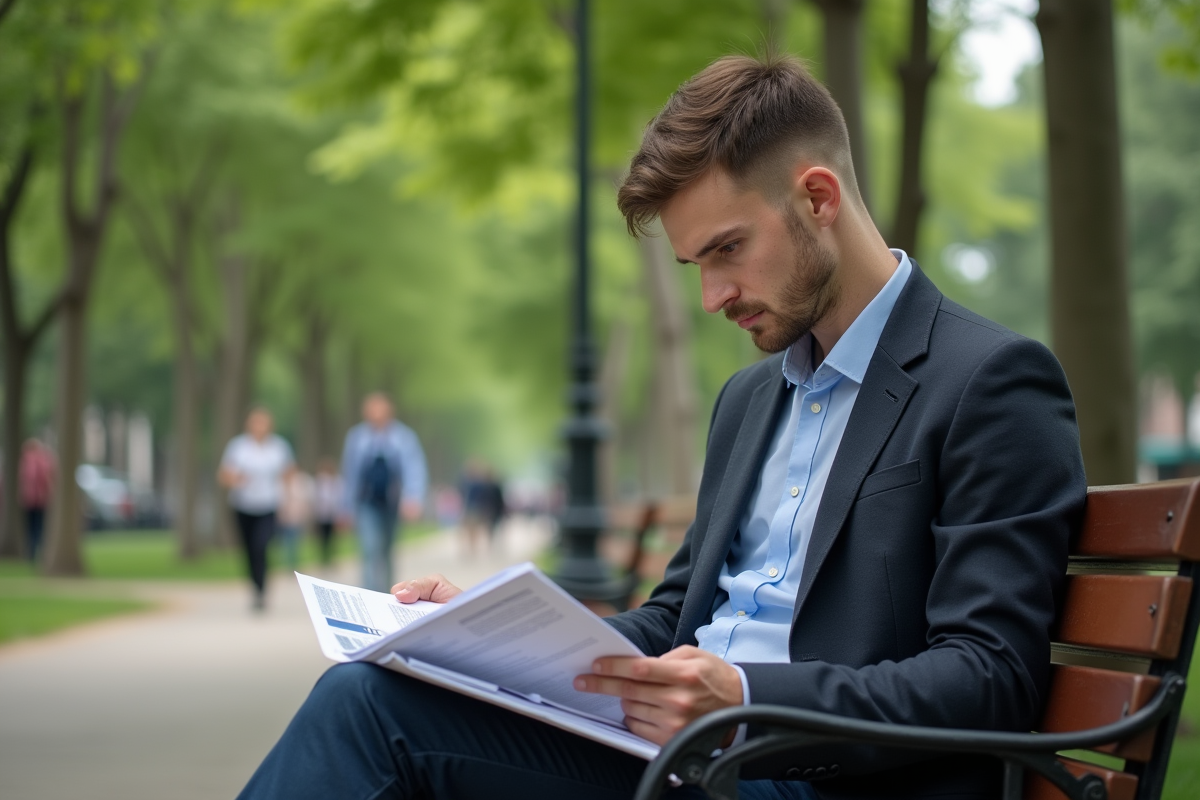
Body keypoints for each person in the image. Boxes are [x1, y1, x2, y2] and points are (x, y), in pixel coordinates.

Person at [239, 54, 1085, 799]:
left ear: (817, 197)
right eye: (695, 266)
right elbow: (676, 616)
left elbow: (990, 675)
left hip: (809, 776)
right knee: (382, 698)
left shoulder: (988, 382)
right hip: (681, 760)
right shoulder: (750, 401)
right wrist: (485, 639)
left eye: (726, 250)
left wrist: (747, 699)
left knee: (371, 717)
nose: (712, 297)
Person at [340, 392, 428, 592]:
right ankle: (369, 594)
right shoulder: (356, 437)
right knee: (370, 548)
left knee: (388, 550)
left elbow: (414, 467)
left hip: (392, 502)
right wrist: (344, 507)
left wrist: (413, 498)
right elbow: (349, 473)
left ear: (390, 411)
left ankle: (389, 593)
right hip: (366, 502)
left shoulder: (404, 437)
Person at [218, 408, 294, 611]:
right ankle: (254, 585)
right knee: (249, 549)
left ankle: (261, 589)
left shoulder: (279, 447)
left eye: (263, 423)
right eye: (256, 423)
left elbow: (288, 474)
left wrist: (287, 501)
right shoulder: (238, 447)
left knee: (261, 546)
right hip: (243, 506)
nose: (259, 427)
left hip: (269, 505)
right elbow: (224, 475)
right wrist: (235, 479)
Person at [19, 438, 55, 563]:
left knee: (31, 528)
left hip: (28, 500)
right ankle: (40, 553)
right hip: (41, 500)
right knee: (40, 528)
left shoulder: (25, 461)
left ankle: (31, 554)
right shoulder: (43, 460)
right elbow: (47, 479)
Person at [277, 467, 314, 572]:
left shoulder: (299, 483)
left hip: (296, 517)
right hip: (285, 519)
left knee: (295, 542)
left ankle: (295, 563)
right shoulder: (281, 484)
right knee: (287, 542)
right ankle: (289, 564)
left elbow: (303, 501)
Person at [312, 458, 343, 567]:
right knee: (322, 537)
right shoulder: (320, 481)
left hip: (332, 514)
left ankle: (331, 558)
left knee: (332, 538)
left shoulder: (336, 481)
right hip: (322, 514)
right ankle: (323, 558)